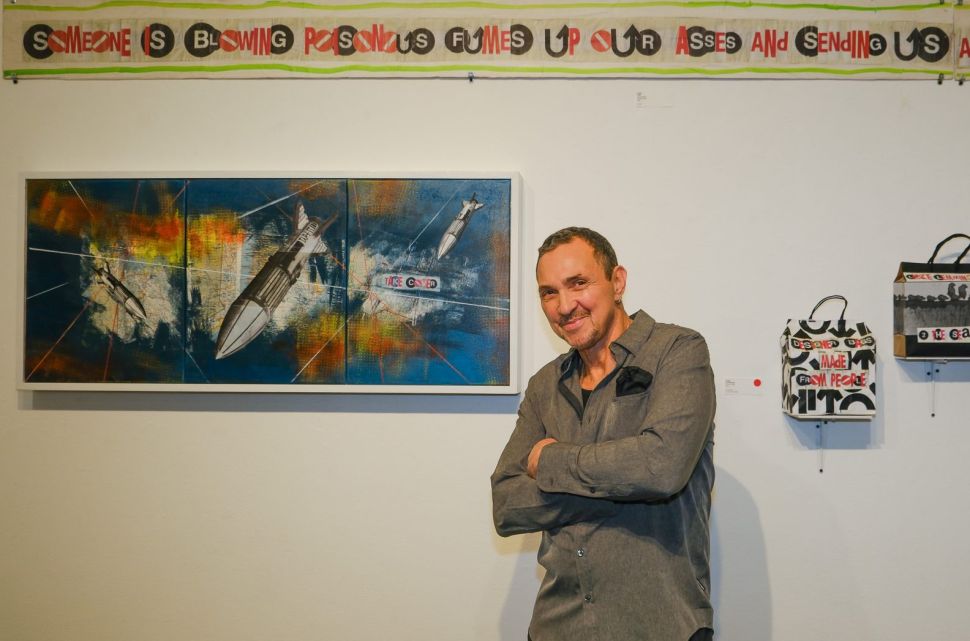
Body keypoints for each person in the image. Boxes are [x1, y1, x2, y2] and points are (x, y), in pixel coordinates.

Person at [491, 227, 716, 641]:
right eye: (549, 292)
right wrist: (624, 490)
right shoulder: (545, 385)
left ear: (617, 282)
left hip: (660, 627)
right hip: (558, 627)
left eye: (578, 283)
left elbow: (661, 468)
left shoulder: (678, 351)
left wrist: (553, 462)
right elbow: (507, 504)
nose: (564, 305)